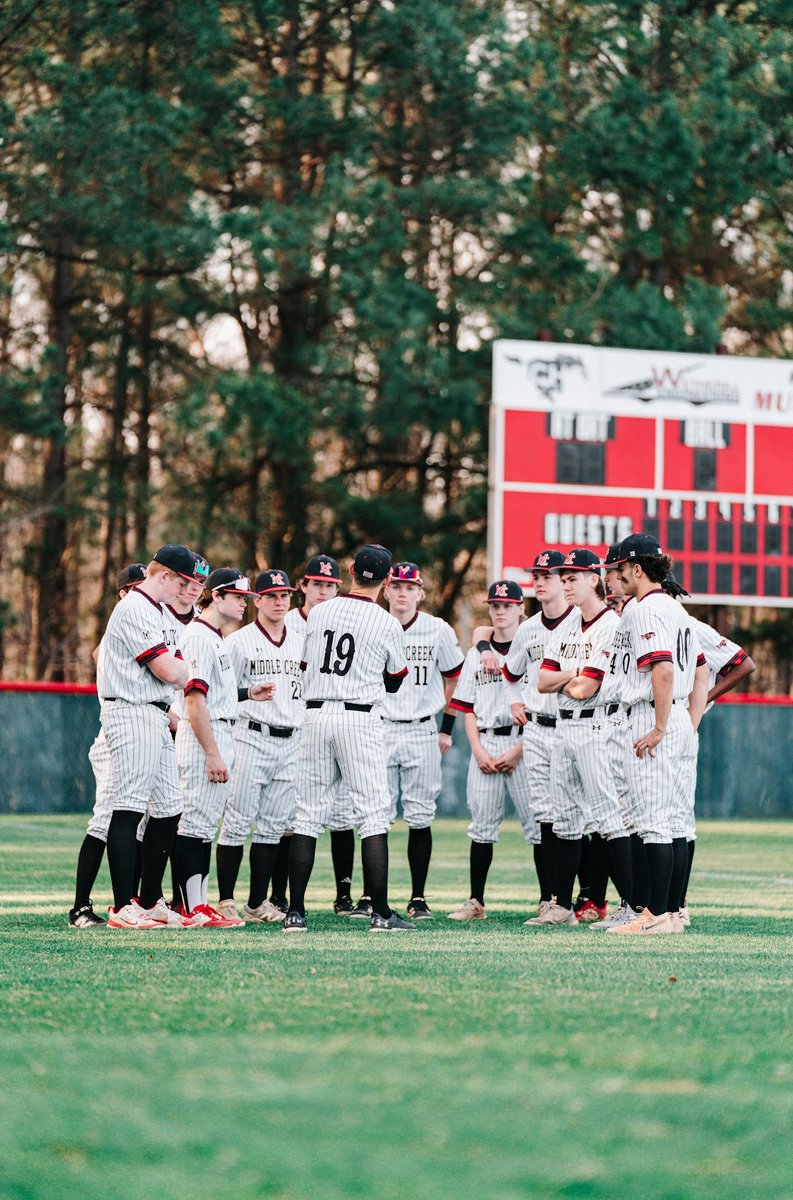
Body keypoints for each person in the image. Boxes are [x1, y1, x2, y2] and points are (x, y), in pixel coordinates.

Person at [284, 544, 413, 933]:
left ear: (352, 571)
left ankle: (295, 914)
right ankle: (381, 913)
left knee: (307, 815)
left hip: (316, 713)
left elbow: (305, 663)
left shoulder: (320, 611)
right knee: (373, 815)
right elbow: (395, 679)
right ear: (387, 581)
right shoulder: (387, 622)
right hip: (359, 716)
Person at [96, 545, 201, 929]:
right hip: (130, 709)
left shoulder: (156, 611)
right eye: (183, 581)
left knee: (170, 808)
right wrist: (184, 668)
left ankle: (151, 898)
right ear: (165, 576)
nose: (186, 590)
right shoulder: (135, 607)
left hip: (154, 713)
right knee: (128, 806)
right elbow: (168, 670)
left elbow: (176, 670)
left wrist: (180, 668)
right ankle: (124, 904)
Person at [526, 550, 632, 928]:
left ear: (594, 579)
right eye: (564, 578)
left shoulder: (612, 625)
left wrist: (568, 679)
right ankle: (561, 906)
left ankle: (631, 907)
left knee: (608, 817)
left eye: (573, 578)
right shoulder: (568, 627)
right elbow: (542, 681)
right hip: (564, 726)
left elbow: (586, 688)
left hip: (598, 725)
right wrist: (572, 675)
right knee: (564, 820)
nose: (567, 585)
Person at [608, 534, 706, 936]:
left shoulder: (645, 608)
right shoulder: (675, 608)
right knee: (678, 822)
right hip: (679, 715)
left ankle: (656, 915)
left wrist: (661, 727)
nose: (612, 576)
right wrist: (686, 722)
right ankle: (673, 912)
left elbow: (662, 669)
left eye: (616, 569)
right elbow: (700, 670)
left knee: (654, 824)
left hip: (655, 715)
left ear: (635, 568)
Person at [172, 568, 274, 928]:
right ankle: (189, 906)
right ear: (216, 596)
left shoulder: (214, 636)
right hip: (205, 736)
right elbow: (195, 700)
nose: (244, 604)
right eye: (237, 597)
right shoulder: (199, 635)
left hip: (221, 730)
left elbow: (214, 693)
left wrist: (248, 693)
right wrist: (213, 752)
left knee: (204, 827)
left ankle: (198, 905)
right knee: (194, 823)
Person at [216, 568, 304, 923]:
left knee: (272, 826)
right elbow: (222, 693)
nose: (279, 601)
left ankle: (256, 903)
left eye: (284, 595)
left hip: (291, 739)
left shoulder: (301, 641)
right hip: (251, 734)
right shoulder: (238, 641)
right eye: (271, 596)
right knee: (237, 822)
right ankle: (225, 900)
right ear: (257, 601)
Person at [377, 562, 464, 920]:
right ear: (386, 590)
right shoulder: (374, 623)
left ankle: (417, 897)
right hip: (380, 724)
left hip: (421, 726)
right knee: (376, 814)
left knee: (419, 814)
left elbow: (456, 677)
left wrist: (446, 727)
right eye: (396, 585)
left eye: (409, 587)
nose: (402, 592)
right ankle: (372, 895)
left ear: (420, 593)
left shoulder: (437, 629)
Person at [447, 580, 537, 921]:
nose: (500, 611)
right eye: (495, 606)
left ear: (520, 610)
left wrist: (519, 750)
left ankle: (549, 900)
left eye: (507, 605)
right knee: (482, 827)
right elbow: (466, 706)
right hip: (485, 741)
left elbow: (541, 705)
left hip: (524, 742)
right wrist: (477, 749)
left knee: (537, 825)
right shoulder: (476, 652)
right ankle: (476, 901)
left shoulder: (531, 647)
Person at [68, 563, 147, 927]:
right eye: (136, 585)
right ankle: (80, 907)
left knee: (141, 819)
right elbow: (99, 655)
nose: (143, 590)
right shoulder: (123, 622)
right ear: (123, 593)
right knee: (106, 817)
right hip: (113, 734)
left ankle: (130, 901)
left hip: (136, 731)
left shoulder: (148, 623)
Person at [283, 554, 358, 916]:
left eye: (330, 584)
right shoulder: (285, 624)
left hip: (327, 722)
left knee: (342, 813)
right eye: (317, 584)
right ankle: (281, 898)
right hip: (292, 723)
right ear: (304, 585)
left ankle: (343, 895)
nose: (324, 590)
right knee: (292, 816)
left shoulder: (344, 621)